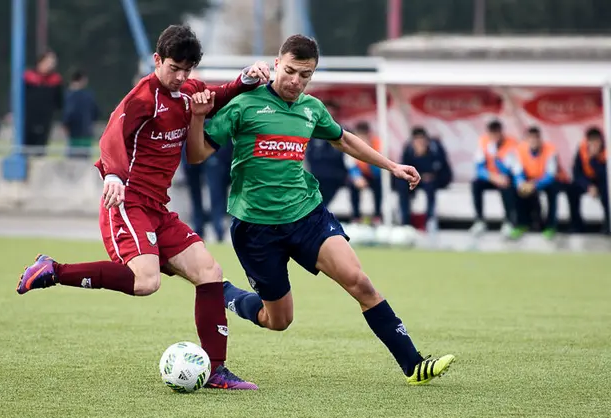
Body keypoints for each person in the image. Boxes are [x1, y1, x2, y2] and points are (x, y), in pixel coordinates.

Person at [185, 34, 455, 385]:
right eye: (291, 71)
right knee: (277, 320)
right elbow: (196, 155)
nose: (297, 82)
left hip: (307, 216)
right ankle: (224, 293)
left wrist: (391, 166)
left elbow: (343, 139)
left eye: (306, 75)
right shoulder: (244, 104)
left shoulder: (311, 108)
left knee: (360, 283)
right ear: (277, 64)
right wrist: (196, 118)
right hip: (256, 228)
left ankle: (413, 365)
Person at [14, 25, 270, 390]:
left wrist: (245, 80)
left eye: (187, 70)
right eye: (173, 68)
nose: (180, 77)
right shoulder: (142, 97)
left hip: (158, 209)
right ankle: (53, 270)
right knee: (146, 282)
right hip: (128, 202)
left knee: (209, 272)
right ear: (157, 61)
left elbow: (214, 96)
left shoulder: (188, 92)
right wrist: (114, 176)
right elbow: (111, 136)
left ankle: (215, 370)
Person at [511, 127, 574, 239]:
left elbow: (550, 174)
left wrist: (534, 185)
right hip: (530, 180)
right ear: (526, 140)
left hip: (549, 180)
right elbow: (517, 171)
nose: (534, 141)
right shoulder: (520, 149)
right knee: (516, 189)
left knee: (553, 190)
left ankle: (551, 225)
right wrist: (521, 184)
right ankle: (522, 224)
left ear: (540, 139)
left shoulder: (550, 150)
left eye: (536, 138)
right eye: (531, 138)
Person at [396, 127, 452, 232]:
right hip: (416, 178)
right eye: (417, 140)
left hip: (436, 179)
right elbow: (404, 166)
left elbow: (440, 168)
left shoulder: (435, 148)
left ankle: (429, 220)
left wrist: (424, 159)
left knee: (429, 184)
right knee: (402, 185)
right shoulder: (408, 149)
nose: (420, 142)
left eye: (422, 139)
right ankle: (405, 221)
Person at [469, 120, 519, 238]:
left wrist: (496, 156)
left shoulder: (512, 144)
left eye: (496, 133)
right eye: (491, 133)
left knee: (507, 185)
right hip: (491, 177)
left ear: (501, 133)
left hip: (505, 177)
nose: (494, 136)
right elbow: (479, 169)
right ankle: (479, 220)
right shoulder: (483, 142)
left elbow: (510, 168)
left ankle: (509, 221)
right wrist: (492, 177)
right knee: (476, 184)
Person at [24, 50, 63, 156]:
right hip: (27, 118)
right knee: (25, 147)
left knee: (40, 149)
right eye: (49, 61)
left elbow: (59, 101)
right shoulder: (28, 77)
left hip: (45, 119)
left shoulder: (55, 80)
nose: (51, 65)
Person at [572, 127, 609, 234]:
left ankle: (608, 224)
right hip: (588, 181)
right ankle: (577, 225)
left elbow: (605, 174)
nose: (593, 144)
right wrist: (588, 186)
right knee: (572, 189)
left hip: (603, 181)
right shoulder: (581, 149)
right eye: (591, 141)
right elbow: (576, 172)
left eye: (596, 141)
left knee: (607, 192)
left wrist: (594, 159)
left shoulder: (607, 151)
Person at [346, 122, 383, 223]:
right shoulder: (351, 144)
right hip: (360, 175)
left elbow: (378, 167)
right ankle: (356, 217)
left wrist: (368, 152)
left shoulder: (376, 143)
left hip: (373, 174)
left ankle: (377, 216)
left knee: (379, 183)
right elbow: (350, 164)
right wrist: (357, 177)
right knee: (352, 183)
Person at [62, 68, 100, 158]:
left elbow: (67, 116)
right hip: (86, 135)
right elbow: (96, 113)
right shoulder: (89, 96)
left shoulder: (68, 95)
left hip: (73, 136)